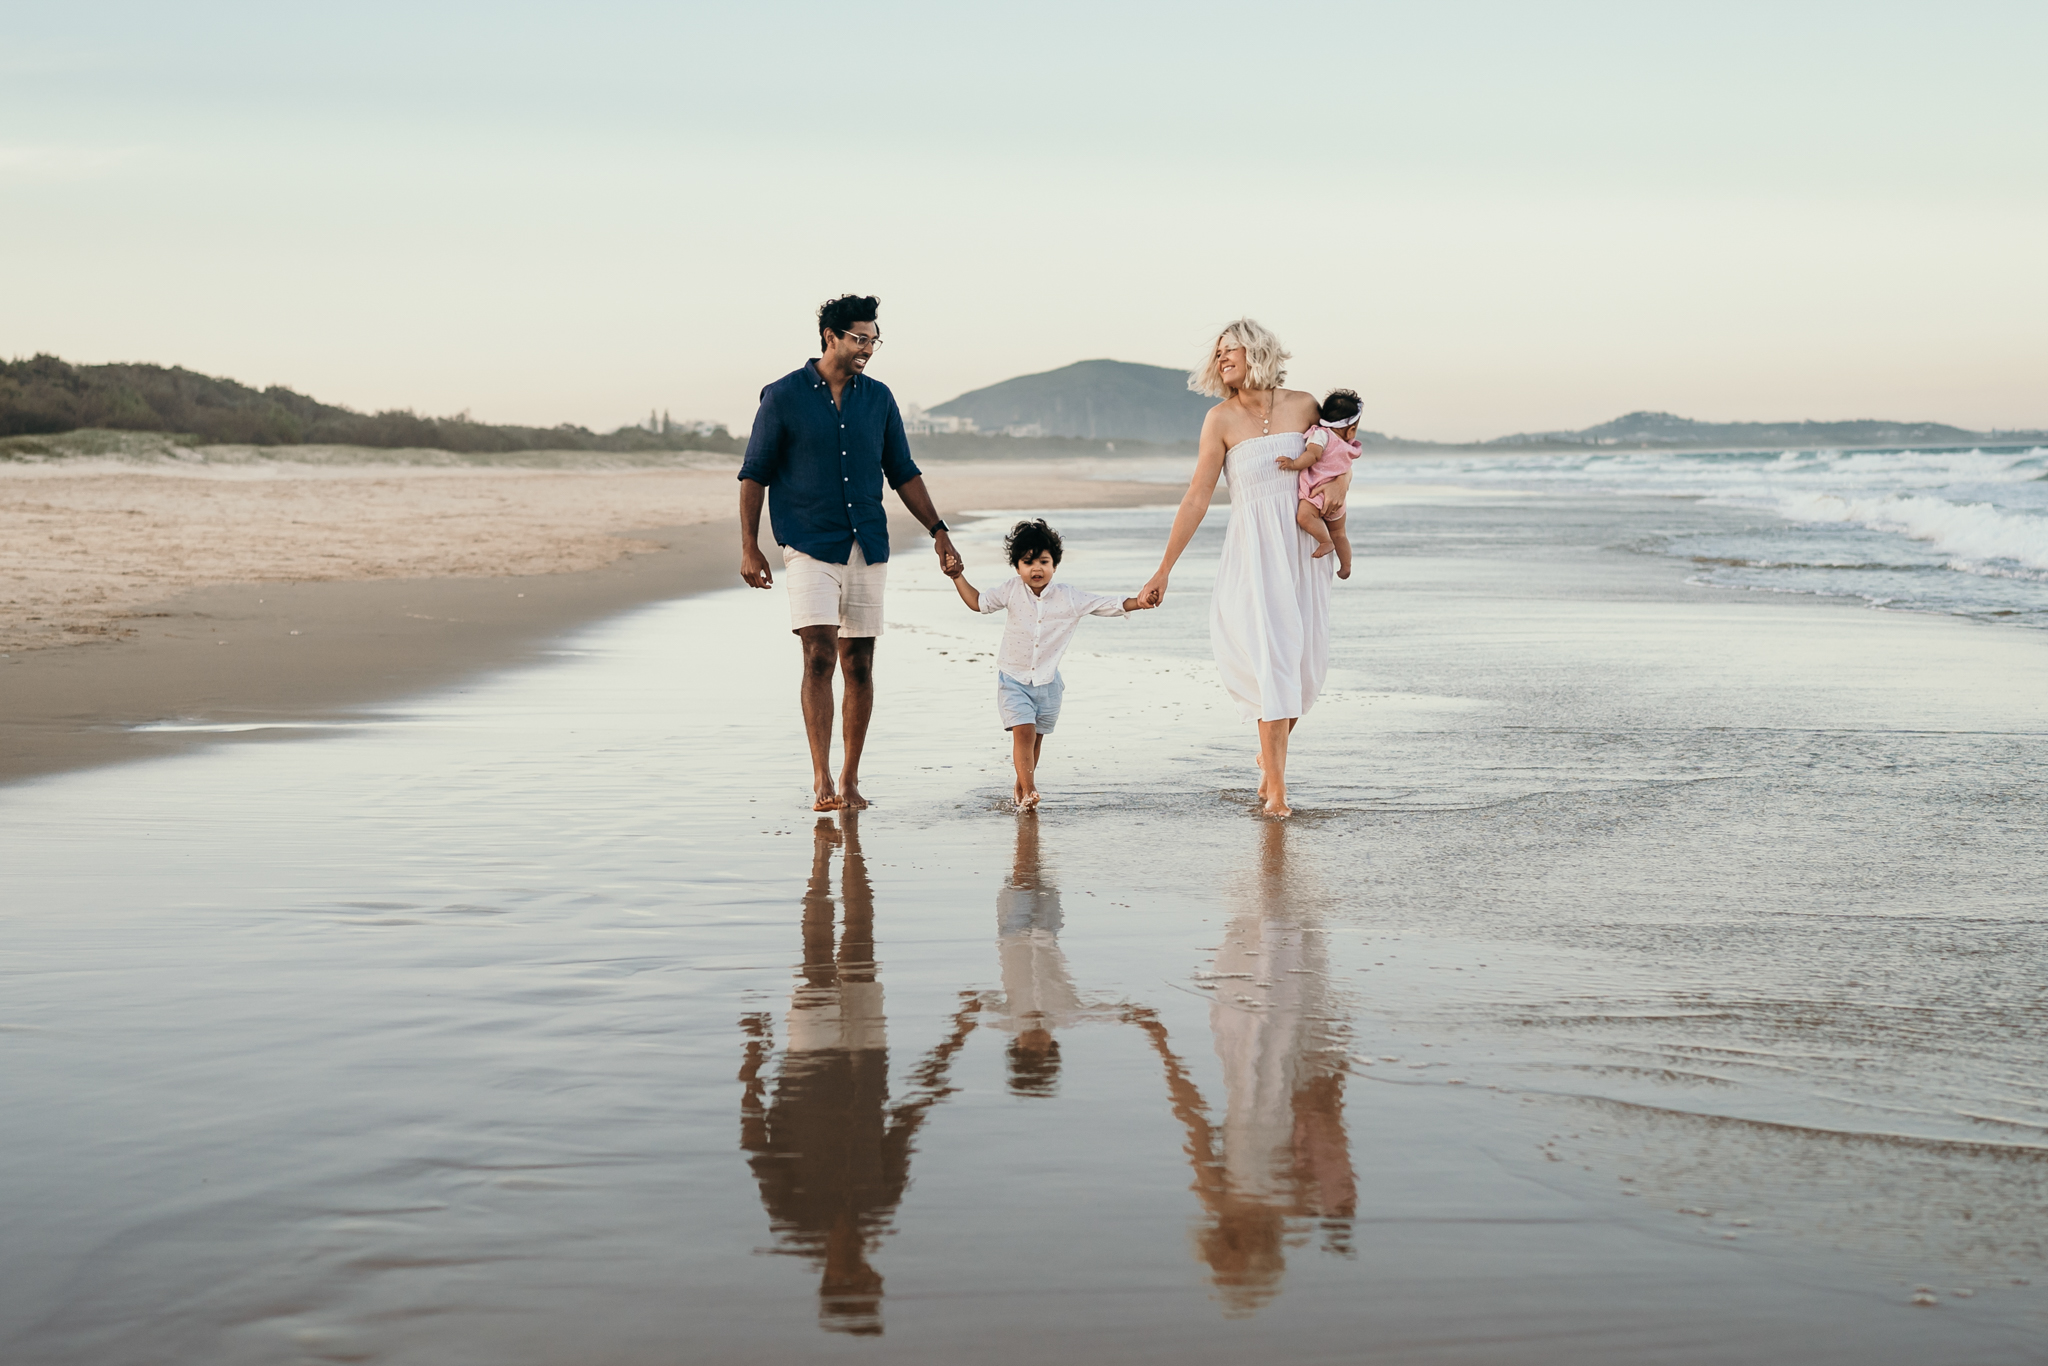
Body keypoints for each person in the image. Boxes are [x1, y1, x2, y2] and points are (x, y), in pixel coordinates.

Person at [738, 294, 963, 812]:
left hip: (867, 540)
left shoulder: (879, 399)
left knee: (859, 662)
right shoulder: (783, 395)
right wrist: (750, 547)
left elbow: (902, 471)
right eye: (860, 338)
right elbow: (755, 473)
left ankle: (850, 778)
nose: (868, 348)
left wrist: (938, 530)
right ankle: (820, 779)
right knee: (818, 652)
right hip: (808, 541)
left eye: (873, 339)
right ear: (830, 336)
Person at [1139, 318, 1333, 818]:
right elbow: (1197, 497)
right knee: (1272, 663)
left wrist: (1336, 504)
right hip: (1254, 555)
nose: (1222, 358)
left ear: (1258, 352)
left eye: (1232, 350)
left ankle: (1269, 758)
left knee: (1303, 672)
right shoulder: (1219, 419)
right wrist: (1164, 569)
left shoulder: (1305, 405)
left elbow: (1337, 463)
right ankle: (1278, 793)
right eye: (1219, 352)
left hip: (1301, 553)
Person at [946, 518, 1152, 810]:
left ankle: (1021, 793)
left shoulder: (1068, 597)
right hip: (1014, 680)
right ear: (1017, 567)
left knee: (1035, 743)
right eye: (1028, 562)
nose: (1037, 568)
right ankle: (1030, 790)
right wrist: (957, 576)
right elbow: (978, 602)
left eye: (1044, 561)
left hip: (1048, 684)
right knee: (1024, 732)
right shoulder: (1011, 590)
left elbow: (1105, 604)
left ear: (1055, 565)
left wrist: (1138, 601)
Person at [1275, 388, 1364, 579]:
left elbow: (1313, 455)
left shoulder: (1322, 435)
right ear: (1351, 429)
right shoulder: (1348, 446)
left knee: (1304, 517)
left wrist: (1293, 464)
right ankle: (1346, 565)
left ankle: (1325, 541)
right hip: (1338, 500)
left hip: (1318, 493)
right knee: (1340, 533)